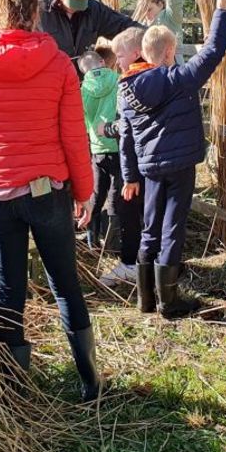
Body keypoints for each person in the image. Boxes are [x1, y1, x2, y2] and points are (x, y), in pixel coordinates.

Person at [0, 0, 101, 402]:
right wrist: (85, 190)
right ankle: (91, 384)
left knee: (9, 288)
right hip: (48, 192)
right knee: (65, 284)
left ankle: (16, 391)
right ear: (34, 7)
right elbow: (74, 134)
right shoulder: (57, 62)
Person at [119, 0, 226, 318]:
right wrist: (222, 10)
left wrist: (130, 174)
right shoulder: (178, 79)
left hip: (149, 168)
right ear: (169, 51)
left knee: (150, 227)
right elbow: (212, 52)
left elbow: (126, 137)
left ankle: (145, 301)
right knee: (172, 229)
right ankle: (170, 303)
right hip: (180, 164)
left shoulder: (126, 89)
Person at [95, 27, 147, 289]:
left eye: (120, 54)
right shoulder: (159, 73)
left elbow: (128, 127)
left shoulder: (131, 81)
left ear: (136, 53)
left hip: (136, 161)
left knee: (129, 210)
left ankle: (130, 265)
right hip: (153, 160)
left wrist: (108, 129)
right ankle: (150, 263)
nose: (117, 61)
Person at [39, 0, 141, 67]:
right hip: (50, 80)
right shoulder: (38, 10)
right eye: (72, 1)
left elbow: (124, 26)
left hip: (85, 81)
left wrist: (150, 37)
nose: (75, 8)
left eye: (80, 3)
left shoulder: (94, 9)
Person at [78, 50, 122, 252]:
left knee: (96, 194)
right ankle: (113, 245)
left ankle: (92, 241)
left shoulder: (82, 89)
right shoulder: (117, 79)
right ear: (103, 62)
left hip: (97, 149)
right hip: (117, 145)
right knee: (115, 197)